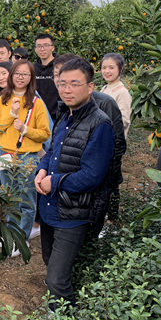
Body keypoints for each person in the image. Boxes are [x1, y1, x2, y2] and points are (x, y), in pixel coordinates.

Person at [35, 58, 115, 310]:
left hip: (73, 213)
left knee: (56, 278)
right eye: (62, 84)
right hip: (50, 208)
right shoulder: (64, 115)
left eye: (74, 84)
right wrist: (42, 169)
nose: (66, 90)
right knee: (49, 261)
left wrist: (55, 181)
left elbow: (93, 175)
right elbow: (52, 151)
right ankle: (58, 309)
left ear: (90, 87)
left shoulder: (100, 124)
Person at [53, 54, 127, 230]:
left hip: (91, 185)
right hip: (67, 189)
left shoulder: (104, 103)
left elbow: (117, 144)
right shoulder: (64, 106)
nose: (65, 85)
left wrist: (107, 181)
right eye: (58, 77)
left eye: (74, 81)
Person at [0, 60, 51, 255]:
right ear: (11, 75)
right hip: (5, 155)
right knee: (10, 199)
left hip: (27, 157)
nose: (21, 77)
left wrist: (26, 129)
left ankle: (21, 238)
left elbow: (45, 134)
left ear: (31, 78)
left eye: (25, 74)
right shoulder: (2, 100)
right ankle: (11, 236)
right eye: (17, 73)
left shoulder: (36, 102)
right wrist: (12, 115)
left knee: (26, 200)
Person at [101, 53, 132, 137]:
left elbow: (124, 121)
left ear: (120, 69)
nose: (107, 71)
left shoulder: (122, 93)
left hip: (112, 139)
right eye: (104, 67)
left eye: (111, 68)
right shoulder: (105, 88)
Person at [33, 33, 60, 122]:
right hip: (38, 116)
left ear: (52, 48)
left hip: (57, 116)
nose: (42, 49)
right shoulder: (33, 68)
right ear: (35, 49)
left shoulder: (60, 66)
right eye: (39, 46)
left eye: (46, 45)